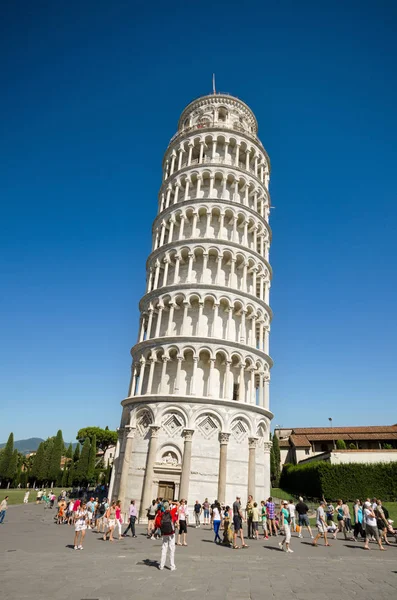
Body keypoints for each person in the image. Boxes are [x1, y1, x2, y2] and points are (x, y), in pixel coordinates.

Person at [159, 501, 177, 571]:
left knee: (164, 549)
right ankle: (172, 566)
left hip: (164, 533)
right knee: (172, 549)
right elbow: (178, 504)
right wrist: (172, 502)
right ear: (168, 506)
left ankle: (161, 566)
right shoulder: (171, 512)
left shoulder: (161, 513)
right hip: (171, 533)